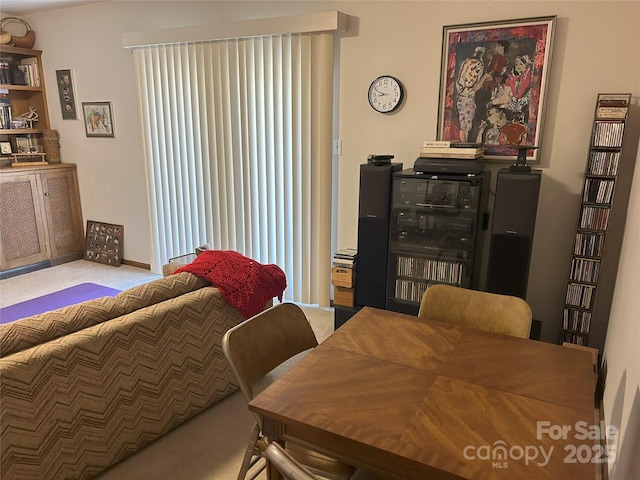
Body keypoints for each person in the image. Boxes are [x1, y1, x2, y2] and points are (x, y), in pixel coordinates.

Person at [455, 46, 485, 142]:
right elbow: (475, 87)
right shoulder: (477, 65)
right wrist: (484, 78)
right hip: (467, 100)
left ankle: (464, 143)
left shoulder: (466, 63)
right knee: (466, 127)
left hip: (461, 99)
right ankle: (464, 143)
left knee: (464, 125)